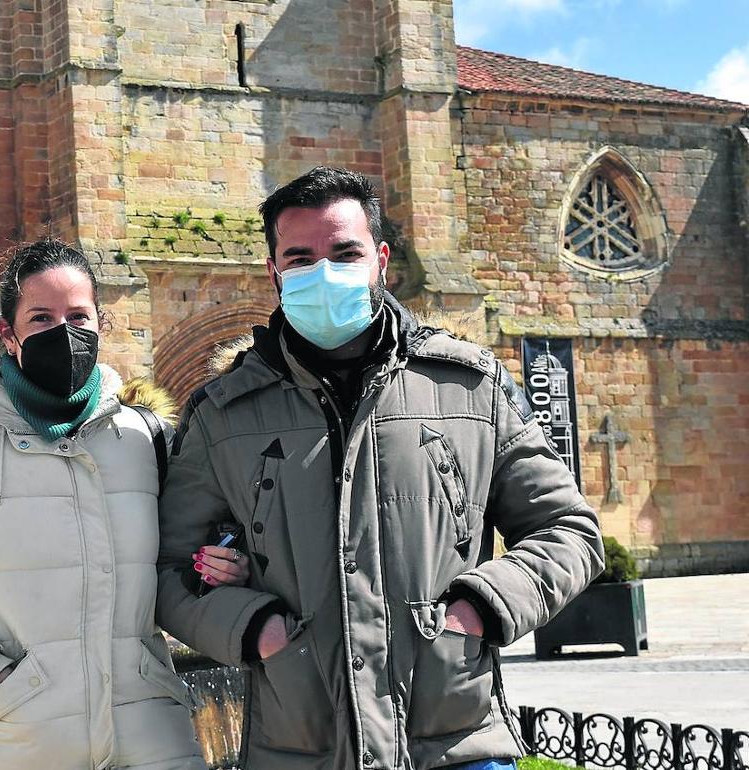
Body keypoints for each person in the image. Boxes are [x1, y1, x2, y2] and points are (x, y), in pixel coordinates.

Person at [153, 167, 605, 770]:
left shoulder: (470, 387)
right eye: (300, 258)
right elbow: (169, 569)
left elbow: (570, 532)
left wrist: (480, 609)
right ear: (273, 272)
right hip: (299, 747)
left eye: (344, 253)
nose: (323, 273)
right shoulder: (222, 413)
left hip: (455, 743)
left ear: (381, 258)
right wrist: (254, 628)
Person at [0, 238, 248, 770]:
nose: (63, 332)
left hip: (151, 740)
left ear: (101, 325)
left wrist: (222, 570)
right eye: (41, 317)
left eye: (78, 316)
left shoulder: (146, 437)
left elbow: (174, 572)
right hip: (5, 746)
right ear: (7, 334)